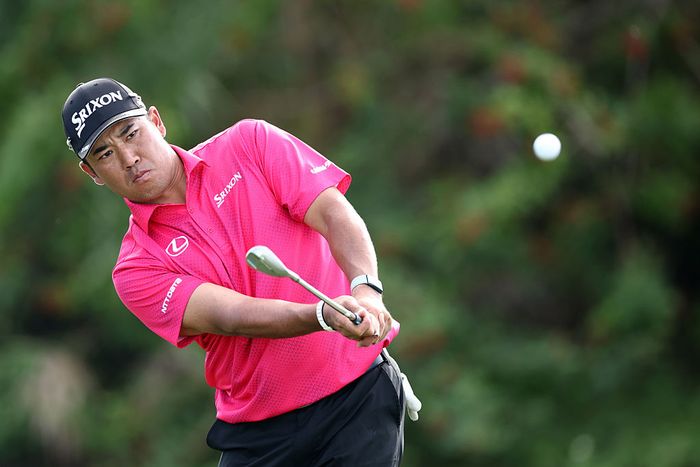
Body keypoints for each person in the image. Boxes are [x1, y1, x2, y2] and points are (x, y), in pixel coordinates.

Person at [61, 77, 416, 466]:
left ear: (156, 122)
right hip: (261, 435)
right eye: (105, 153)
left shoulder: (249, 144)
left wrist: (366, 290)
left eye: (131, 133)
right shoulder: (136, 266)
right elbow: (231, 315)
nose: (129, 157)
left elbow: (333, 214)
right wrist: (321, 315)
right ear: (92, 173)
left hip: (358, 396)